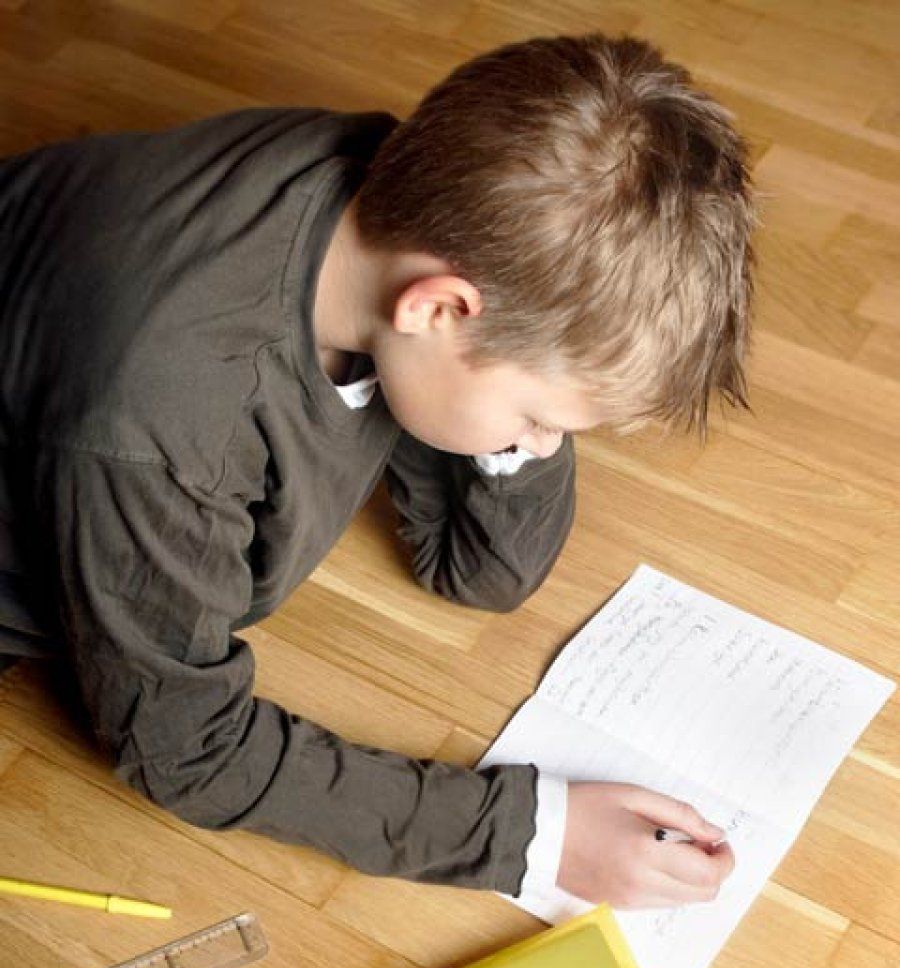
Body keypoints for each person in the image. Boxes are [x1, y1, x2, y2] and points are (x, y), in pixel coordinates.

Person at [0, 33, 749, 910]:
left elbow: (480, 572)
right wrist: (533, 837)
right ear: (437, 307)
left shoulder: (410, 212)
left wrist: (516, 435)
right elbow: (184, 748)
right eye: (539, 418)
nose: (542, 443)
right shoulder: (163, 421)